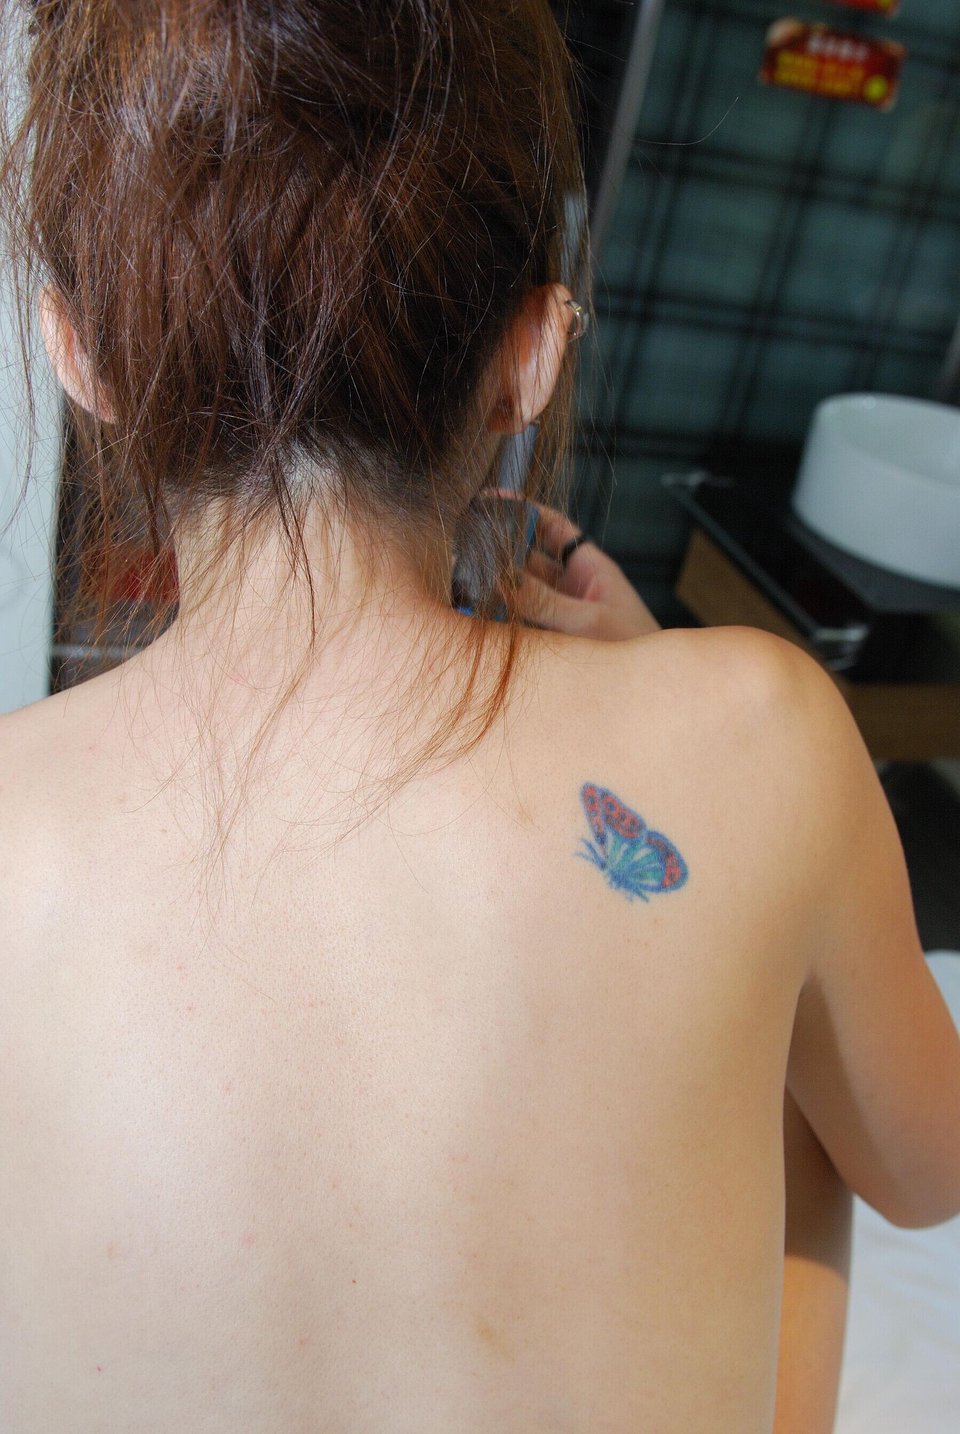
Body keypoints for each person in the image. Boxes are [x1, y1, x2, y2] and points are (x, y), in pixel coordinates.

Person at [1, 3, 958, 1431]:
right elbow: (925, 1170)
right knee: (785, 1056)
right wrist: (673, 690)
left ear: (79, 354)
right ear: (533, 354)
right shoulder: (761, 735)